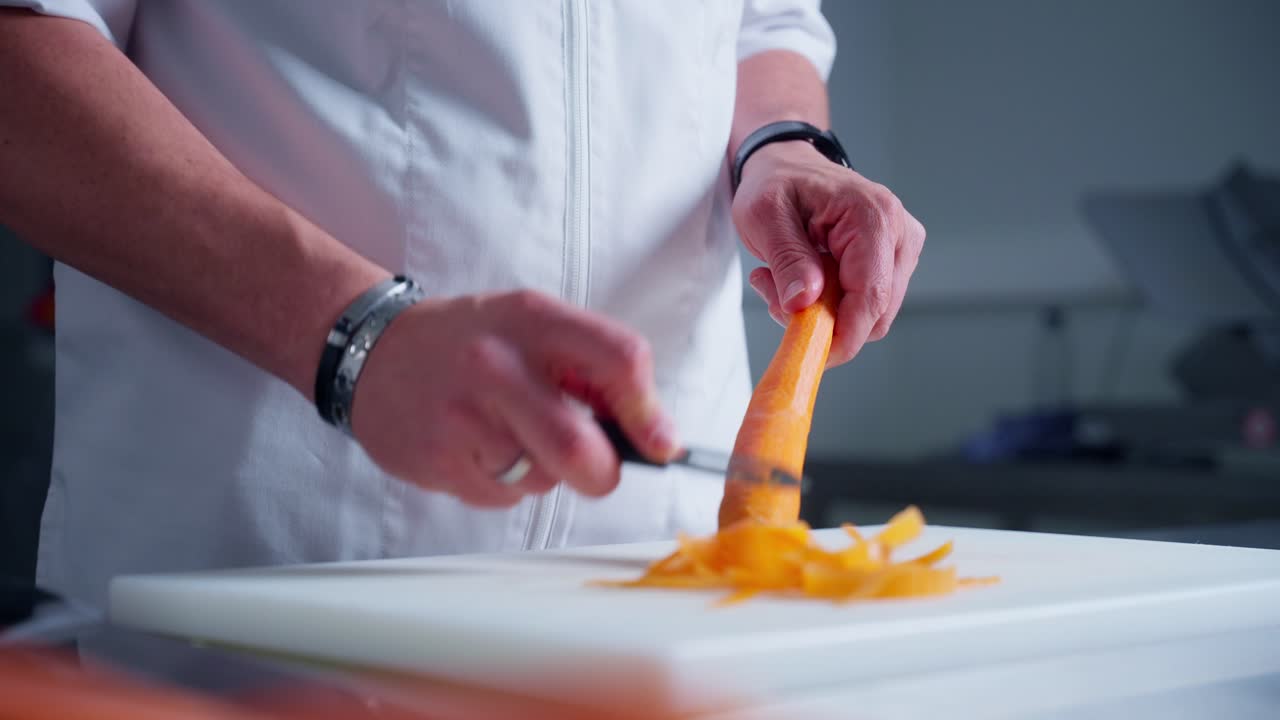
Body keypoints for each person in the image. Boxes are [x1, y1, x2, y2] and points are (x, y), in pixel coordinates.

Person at [0, 1, 925, 616]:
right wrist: (354, 335)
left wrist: (783, 145)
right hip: (272, 591)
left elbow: (765, 23)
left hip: (667, 594)